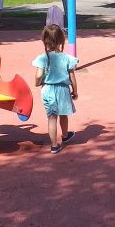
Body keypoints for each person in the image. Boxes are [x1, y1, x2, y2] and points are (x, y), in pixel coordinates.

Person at [32, 24, 78, 154]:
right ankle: (65, 135)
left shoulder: (42, 58)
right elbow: (72, 76)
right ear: (61, 40)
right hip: (63, 89)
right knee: (63, 115)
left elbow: (39, 75)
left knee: (52, 118)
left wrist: (37, 83)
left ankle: (54, 145)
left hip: (48, 89)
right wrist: (75, 91)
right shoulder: (67, 58)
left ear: (44, 40)